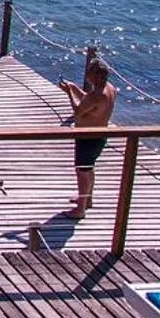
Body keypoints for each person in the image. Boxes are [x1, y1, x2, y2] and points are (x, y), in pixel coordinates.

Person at [59, 47, 116, 220]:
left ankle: (80, 209)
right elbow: (88, 103)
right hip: (100, 135)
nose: (87, 76)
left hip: (87, 137)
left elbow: (78, 112)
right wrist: (75, 88)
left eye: (89, 73)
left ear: (95, 75)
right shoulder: (109, 89)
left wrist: (69, 93)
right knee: (89, 168)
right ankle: (87, 199)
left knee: (82, 171)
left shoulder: (96, 95)